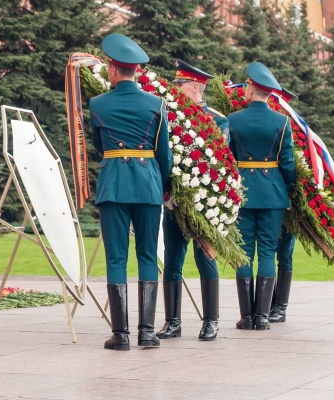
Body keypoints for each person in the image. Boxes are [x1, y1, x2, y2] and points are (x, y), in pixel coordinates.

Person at [89, 33, 171, 350]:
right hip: (148, 185)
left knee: (116, 258)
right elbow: (163, 153)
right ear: (136, 71)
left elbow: (100, 145)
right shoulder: (156, 104)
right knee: (148, 255)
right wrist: (163, 186)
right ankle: (147, 333)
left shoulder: (98, 104)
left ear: (112, 69)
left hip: (113, 184)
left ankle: (121, 335)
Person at [157, 59, 227, 342]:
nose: (175, 89)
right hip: (174, 202)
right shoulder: (169, 114)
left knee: (205, 258)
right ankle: (172, 322)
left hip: (203, 205)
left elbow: (222, 164)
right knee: (172, 261)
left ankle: (211, 321)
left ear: (195, 87)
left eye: (180, 84)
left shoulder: (217, 120)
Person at [228, 63, 295, 330]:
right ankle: (263, 317)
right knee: (267, 252)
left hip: (243, 192)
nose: (244, 89)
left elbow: (229, 158)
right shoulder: (282, 122)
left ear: (253, 88)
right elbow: (287, 164)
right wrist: (286, 185)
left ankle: (247, 317)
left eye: (246, 85)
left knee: (244, 252)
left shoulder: (233, 120)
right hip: (273, 194)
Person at [270, 86, 299, 323]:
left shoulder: (293, 130)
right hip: (272, 197)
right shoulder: (275, 126)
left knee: (285, 253)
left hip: (288, 200)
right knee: (268, 251)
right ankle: (269, 303)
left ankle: (280, 306)